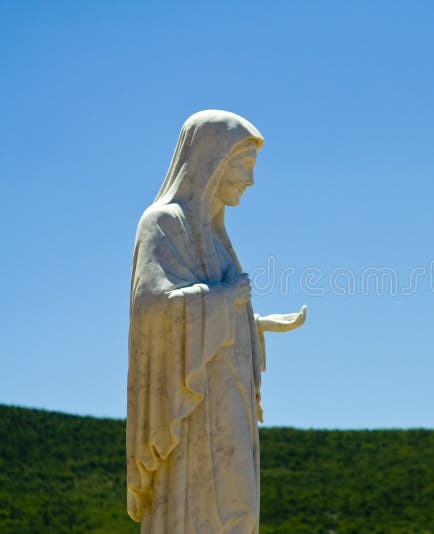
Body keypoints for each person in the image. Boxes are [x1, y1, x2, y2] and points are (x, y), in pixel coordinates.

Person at [126, 110, 306, 533]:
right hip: (193, 408)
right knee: (204, 510)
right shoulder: (163, 224)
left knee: (238, 509)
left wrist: (252, 323)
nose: (250, 181)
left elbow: (217, 308)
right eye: (244, 167)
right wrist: (226, 301)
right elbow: (151, 307)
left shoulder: (217, 238)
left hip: (229, 400)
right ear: (213, 161)